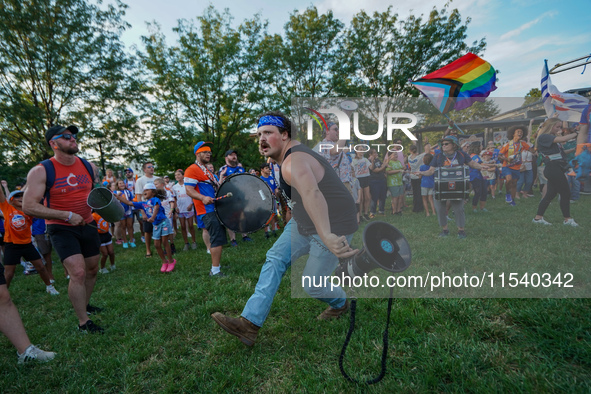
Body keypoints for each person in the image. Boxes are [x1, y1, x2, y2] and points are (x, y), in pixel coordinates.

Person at [211, 111, 358, 346]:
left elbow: (313, 194)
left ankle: (340, 303)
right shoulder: (285, 157)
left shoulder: (294, 161)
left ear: (285, 134)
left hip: (333, 224)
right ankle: (249, 323)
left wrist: (327, 235)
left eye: (268, 133)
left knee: (312, 284)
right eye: (259, 134)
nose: (261, 139)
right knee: (275, 258)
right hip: (303, 221)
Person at [22, 125, 104, 333]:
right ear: (54, 143)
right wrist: (66, 215)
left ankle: (85, 304)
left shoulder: (88, 166)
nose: (73, 139)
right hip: (61, 227)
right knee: (77, 272)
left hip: (87, 223)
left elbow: (92, 194)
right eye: (66, 137)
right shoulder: (41, 171)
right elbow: (29, 206)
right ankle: (83, 322)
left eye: (74, 135)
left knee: (93, 268)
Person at [417, 135, 491, 238]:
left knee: (458, 208)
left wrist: (481, 167)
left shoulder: (461, 154)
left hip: (457, 187)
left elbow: (472, 164)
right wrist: (422, 173)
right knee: (440, 209)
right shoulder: (438, 156)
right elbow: (431, 170)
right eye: (442, 144)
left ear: (454, 145)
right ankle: (445, 230)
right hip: (441, 187)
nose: (443, 146)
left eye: (446, 144)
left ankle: (461, 231)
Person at [0, 186, 59, 294]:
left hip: (27, 244)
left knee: (41, 267)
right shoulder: (7, 208)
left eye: (22, 195)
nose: (21, 197)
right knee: (9, 273)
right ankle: (3, 294)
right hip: (11, 245)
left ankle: (50, 287)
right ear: (11, 200)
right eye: (17, 196)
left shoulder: (28, 211)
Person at [184, 142, 227, 276]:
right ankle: (215, 270)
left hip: (215, 209)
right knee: (216, 239)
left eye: (209, 152)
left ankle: (217, 265)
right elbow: (189, 190)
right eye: (205, 152)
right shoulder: (192, 169)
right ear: (197, 154)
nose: (208, 154)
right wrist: (202, 198)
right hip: (206, 210)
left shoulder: (207, 171)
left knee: (219, 238)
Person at [117, 183, 176, 271]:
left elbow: (156, 207)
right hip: (156, 224)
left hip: (164, 223)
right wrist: (118, 197)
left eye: (147, 190)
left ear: (153, 192)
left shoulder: (155, 199)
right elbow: (129, 202)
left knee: (164, 242)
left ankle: (171, 261)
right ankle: (164, 261)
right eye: (144, 190)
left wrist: (152, 217)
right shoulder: (143, 203)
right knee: (156, 245)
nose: (145, 192)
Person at [532, 118, 578, 226]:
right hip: (553, 168)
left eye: (560, 127)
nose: (559, 129)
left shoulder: (551, 139)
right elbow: (563, 138)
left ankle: (538, 218)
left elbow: (561, 153)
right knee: (565, 192)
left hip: (556, 168)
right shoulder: (544, 137)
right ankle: (567, 219)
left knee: (550, 195)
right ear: (550, 126)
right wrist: (576, 133)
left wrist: (574, 149)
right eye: (557, 127)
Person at [219, 149, 253, 245]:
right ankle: (233, 239)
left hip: (241, 196)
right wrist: (222, 176)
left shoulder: (241, 169)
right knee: (231, 217)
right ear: (226, 158)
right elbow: (219, 184)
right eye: (231, 155)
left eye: (235, 155)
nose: (234, 156)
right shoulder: (223, 169)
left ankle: (244, 236)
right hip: (229, 196)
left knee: (242, 215)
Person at [498, 125, 532, 205]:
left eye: (521, 132)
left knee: (514, 184)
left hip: (517, 167)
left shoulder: (523, 144)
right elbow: (499, 155)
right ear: (513, 134)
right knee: (509, 179)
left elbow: (532, 150)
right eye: (518, 132)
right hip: (507, 166)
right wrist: (507, 159)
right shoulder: (507, 145)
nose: (520, 133)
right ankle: (507, 193)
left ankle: (512, 201)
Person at [135, 162, 157, 257]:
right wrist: (142, 212)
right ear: (144, 170)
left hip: (157, 207)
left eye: (152, 167)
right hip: (147, 209)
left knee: (160, 228)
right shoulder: (140, 180)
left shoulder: (157, 179)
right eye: (149, 167)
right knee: (147, 230)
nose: (151, 168)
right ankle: (148, 250)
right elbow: (139, 197)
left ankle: (161, 247)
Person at [172, 169, 198, 251]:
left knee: (191, 225)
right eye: (176, 175)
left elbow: (193, 195)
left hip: (189, 208)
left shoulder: (187, 185)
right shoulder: (174, 187)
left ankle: (194, 241)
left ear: (183, 176)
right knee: (183, 226)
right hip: (181, 209)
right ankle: (186, 243)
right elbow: (174, 198)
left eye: (179, 175)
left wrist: (191, 204)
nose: (177, 177)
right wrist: (176, 207)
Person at [367, 149, 389, 217]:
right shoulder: (369, 161)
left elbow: (383, 166)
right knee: (374, 197)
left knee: (382, 196)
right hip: (374, 181)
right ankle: (372, 212)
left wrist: (386, 163)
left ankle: (381, 210)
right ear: (370, 154)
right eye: (374, 153)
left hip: (382, 179)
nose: (376, 154)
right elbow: (376, 170)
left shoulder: (378, 160)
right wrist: (384, 166)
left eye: (376, 152)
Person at [259, 163, 279, 238]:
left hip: (273, 199)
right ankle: (266, 232)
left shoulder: (271, 178)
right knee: (266, 216)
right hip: (265, 200)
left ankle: (274, 230)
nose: (268, 170)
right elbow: (259, 191)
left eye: (268, 168)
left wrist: (277, 200)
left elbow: (275, 188)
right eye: (266, 168)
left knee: (273, 214)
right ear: (262, 169)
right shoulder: (260, 179)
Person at [468, 143, 488, 212]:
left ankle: (482, 207)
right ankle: (474, 208)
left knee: (484, 191)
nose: (482, 147)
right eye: (481, 146)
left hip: (479, 175)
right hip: (475, 176)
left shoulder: (474, 155)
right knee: (478, 192)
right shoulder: (475, 156)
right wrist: (493, 164)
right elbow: (480, 164)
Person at [351, 151, 371, 220]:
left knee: (367, 197)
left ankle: (366, 213)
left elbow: (371, 167)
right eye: (360, 149)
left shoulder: (365, 159)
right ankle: (360, 215)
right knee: (361, 198)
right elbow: (352, 169)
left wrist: (373, 159)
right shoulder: (354, 160)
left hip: (366, 177)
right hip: (359, 178)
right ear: (357, 151)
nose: (362, 151)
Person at [114, 180, 135, 248]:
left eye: (123, 183)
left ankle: (131, 240)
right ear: (117, 185)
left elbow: (131, 200)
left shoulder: (128, 191)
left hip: (129, 211)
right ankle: (125, 241)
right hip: (121, 212)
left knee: (130, 225)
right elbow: (113, 200)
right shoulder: (115, 192)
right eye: (120, 183)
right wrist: (118, 195)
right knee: (123, 226)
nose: (122, 184)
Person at [385, 150, 404, 215]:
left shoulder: (398, 162)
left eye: (397, 154)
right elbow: (388, 172)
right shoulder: (389, 163)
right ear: (390, 156)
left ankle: (399, 210)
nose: (396, 156)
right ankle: (394, 211)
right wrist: (398, 170)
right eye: (394, 154)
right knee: (395, 197)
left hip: (400, 182)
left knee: (400, 196)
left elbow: (402, 168)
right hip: (393, 183)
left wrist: (403, 169)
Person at [407, 145, 425, 213]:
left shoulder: (409, 157)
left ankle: (415, 207)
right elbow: (426, 152)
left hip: (412, 176)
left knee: (414, 192)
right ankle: (419, 207)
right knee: (419, 192)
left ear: (410, 151)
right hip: (419, 175)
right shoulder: (420, 157)